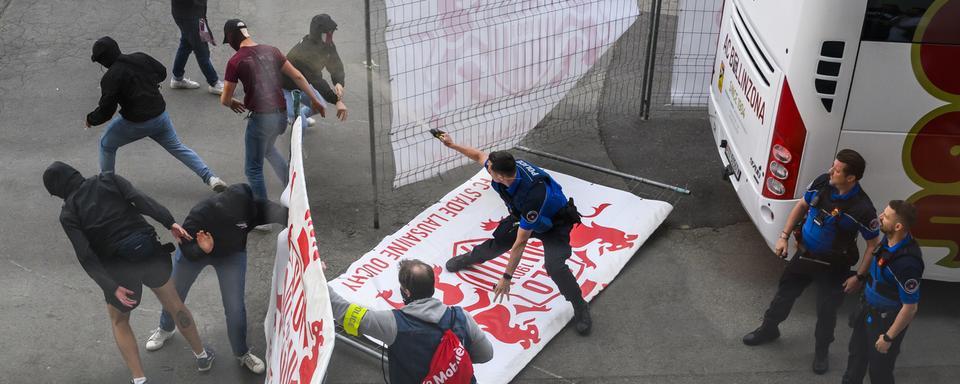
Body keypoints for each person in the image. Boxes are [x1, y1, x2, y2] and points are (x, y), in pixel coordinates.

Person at [43, 161, 214, 384]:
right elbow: (142, 201)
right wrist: (169, 221)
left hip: (119, 269)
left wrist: (111, 287)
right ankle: (202, 355)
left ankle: (140, 379)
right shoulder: (108, 179)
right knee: (175, 305)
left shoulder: (69, 213)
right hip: (149, 252)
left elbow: (85, 255)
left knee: (120, 322)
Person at [437, 132, 592, 335]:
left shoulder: (532, 196)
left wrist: (507, 277)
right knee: (499, 241)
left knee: (555, 266)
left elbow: (520, 242)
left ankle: (580, 306)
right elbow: (478, 156)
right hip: (522, 214)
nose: (487, 169)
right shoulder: (507, 168)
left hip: (554, 223)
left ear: (500, 176)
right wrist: (452, 145)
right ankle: (470, 258)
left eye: (489, 169)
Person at [742, 149, 881, 374]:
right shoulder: (822, 182)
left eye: (836, 170)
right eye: (832, 166)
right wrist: (784, 237)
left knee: (826, 313)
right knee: (783, 297)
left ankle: (821, 353)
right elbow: (802, 206)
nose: (830, 171)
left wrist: (859, 277)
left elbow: (874, 245)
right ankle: (768, 330)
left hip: (834, 268)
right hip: (804, 256)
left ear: (851, 178)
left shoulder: (862, 209)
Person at [144, 183, 287, 374]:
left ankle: (242, 352)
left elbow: (289, 216)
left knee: (235, 306)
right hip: (198, 251)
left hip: (232, 255)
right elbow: (186, 249)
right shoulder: (203, 212)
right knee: (175, 294)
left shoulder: (257, 208)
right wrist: (202, 249)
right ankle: (165, 328)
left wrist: (307, 249)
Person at [86, 36, 227, 192]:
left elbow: (107, 109)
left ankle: (108, 185)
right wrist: (149, 83)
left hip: (134, 123)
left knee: (106, 145)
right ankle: (211, 178)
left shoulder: (110, 78)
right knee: (178, 148)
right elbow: (162, 72)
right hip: (160, 117)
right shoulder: (140, 57)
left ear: (103, 60)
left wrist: (91, 119)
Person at [329, 259, 493, 382]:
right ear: (433, 287)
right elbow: (486, 354)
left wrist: (318, 280)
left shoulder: (392, 324)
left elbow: (344, 312)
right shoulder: (460, 316)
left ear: (406, 292)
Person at [219, 19, 326, 200]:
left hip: (260, 119)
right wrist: (315, 100)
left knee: (253, 168)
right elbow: (298, 76)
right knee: (268, 148)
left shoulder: (236, 61)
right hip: (281, 116)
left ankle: (263, 215)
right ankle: (293, 188)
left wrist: (232, 103)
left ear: (231, 38)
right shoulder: (272, 51)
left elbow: (225, 99)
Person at [842, 200, 924, 384]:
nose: (880, 217)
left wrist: (888, 337)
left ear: (898, 226)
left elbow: (910, 308)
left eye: (885, 216)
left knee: (880, 372)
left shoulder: (907, 264)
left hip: (885, 323)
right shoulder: (888, 239)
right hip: (867, 310)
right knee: (855, 359)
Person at [281, 13, 349, 126]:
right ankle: (291, 116)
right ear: (319, 34)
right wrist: (337, 101)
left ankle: (298, 116)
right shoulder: (306, 51)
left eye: (332, 32)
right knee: (299, 123)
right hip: (286, 88)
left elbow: (335, 64)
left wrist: (339, 82)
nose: (331, 36)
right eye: (328, 33)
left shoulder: (327, 44)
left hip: (302, 85)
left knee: (319, 107)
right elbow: (316, 80)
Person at [168, 0, 224, 94]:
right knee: (202, 51)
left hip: (190, 14)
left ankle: (177, 78)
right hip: (189, 16)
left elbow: (200, 15)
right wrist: (206, 34)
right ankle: (214, 83)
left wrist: (207, 33)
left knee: (186, 45)